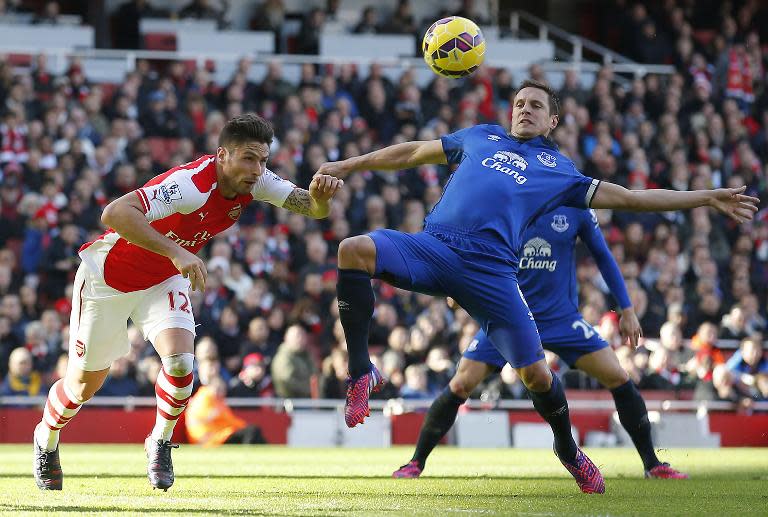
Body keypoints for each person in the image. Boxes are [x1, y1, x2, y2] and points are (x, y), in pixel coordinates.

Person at [317, 79, 758, 494]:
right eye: (520, 104)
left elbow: (632, 198)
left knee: (535, 375)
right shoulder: (480, 137)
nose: (525, 110)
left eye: (536, 106)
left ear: (553, 122)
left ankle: (567, 448)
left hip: (491, 273)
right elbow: (412, 152)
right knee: (353, 248)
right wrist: (347, 164)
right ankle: (361, 371)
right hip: (435, 248)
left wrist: (704, 196)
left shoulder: (560, 173)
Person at [33, 113, 343, 491]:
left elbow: (310, 208)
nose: (257, 168)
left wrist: (321, 201)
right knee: (82, 388)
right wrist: (177, 252)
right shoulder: (191, 185)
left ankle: (160, 441)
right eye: (248, 158)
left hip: (162, 279)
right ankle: (45, 438)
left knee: (181, 364)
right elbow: (113, 213)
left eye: (263, 159)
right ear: (222, 156)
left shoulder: (257, 181)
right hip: (108, 280)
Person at [391, 206, 687, 480]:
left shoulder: (574, 207)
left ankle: (652, 464)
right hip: (509, 316)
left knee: (619, 377)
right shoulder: (506, 203)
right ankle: (416, 462)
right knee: (460, 384)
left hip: (560, 318)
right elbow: (470, 248)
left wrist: (627, 308)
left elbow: (603, 255)